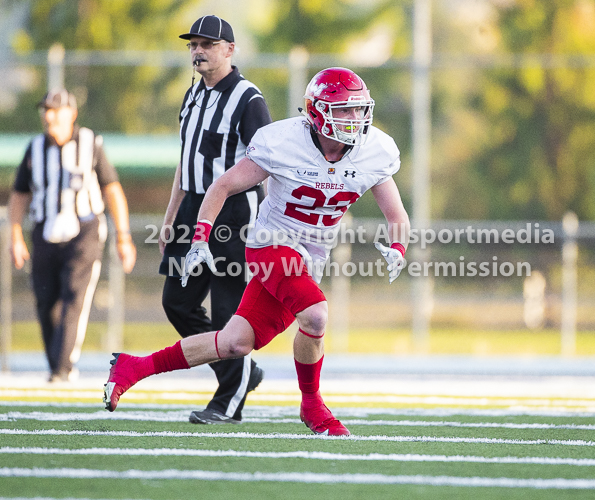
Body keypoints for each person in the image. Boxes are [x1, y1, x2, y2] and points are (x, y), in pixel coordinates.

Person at [104, 67, 410, 436]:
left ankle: (133, 367)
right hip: (271, 244)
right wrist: (199, 238)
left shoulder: (374, 150)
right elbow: (223, 186)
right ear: (316, 112)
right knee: (315, 316)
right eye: (342, 109)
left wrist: (398, 247)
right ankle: (313, 406)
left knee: (235, 343)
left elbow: (397, 215)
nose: (353, 118)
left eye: (358, 109)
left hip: (312, 255)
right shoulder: (283, 141)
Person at [158, 15, 271, 425]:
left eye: (207, 43)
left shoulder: (248, 98)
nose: (198, 51)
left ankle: (229, 401)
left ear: (229, 50)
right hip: (191, 214)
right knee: (178, 303)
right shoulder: (192, 94)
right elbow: (185, 161)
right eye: (193, 44)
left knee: (228, 314)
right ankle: (238, 371)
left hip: (235, 217)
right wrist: (172, 215)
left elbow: (269, 164)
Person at [9, 88, 136, 382]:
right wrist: (15, 236)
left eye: (55, 110)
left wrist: (124, 236)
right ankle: (57, 365)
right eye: (46, 110)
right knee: (45, 301)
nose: (49, 116)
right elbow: (19, 195)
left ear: (72, 114)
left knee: (73, 298)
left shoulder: (91, 144)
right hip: (44, 231)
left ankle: (62, 368)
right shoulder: (35, 148)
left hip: (84, 232)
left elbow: (112, 190)